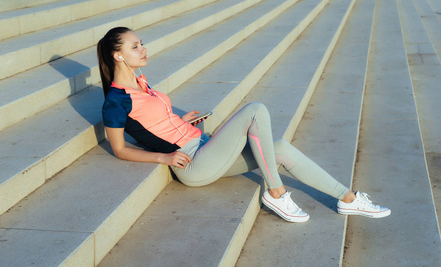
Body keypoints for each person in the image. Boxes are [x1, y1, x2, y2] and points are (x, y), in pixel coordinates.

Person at [97, 27, 391, 222]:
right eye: (136, 46)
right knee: (255, 110)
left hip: (203, 146)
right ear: (118, 54)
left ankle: (348, 199)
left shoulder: (141, 81)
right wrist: (163, 156)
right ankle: (276, 194)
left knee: (280, 148)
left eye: (142, 43)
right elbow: (120, 148)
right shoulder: (115, 100)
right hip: (192, 163)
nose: (144, 49)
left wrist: (179, 119)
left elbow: (152, 119)